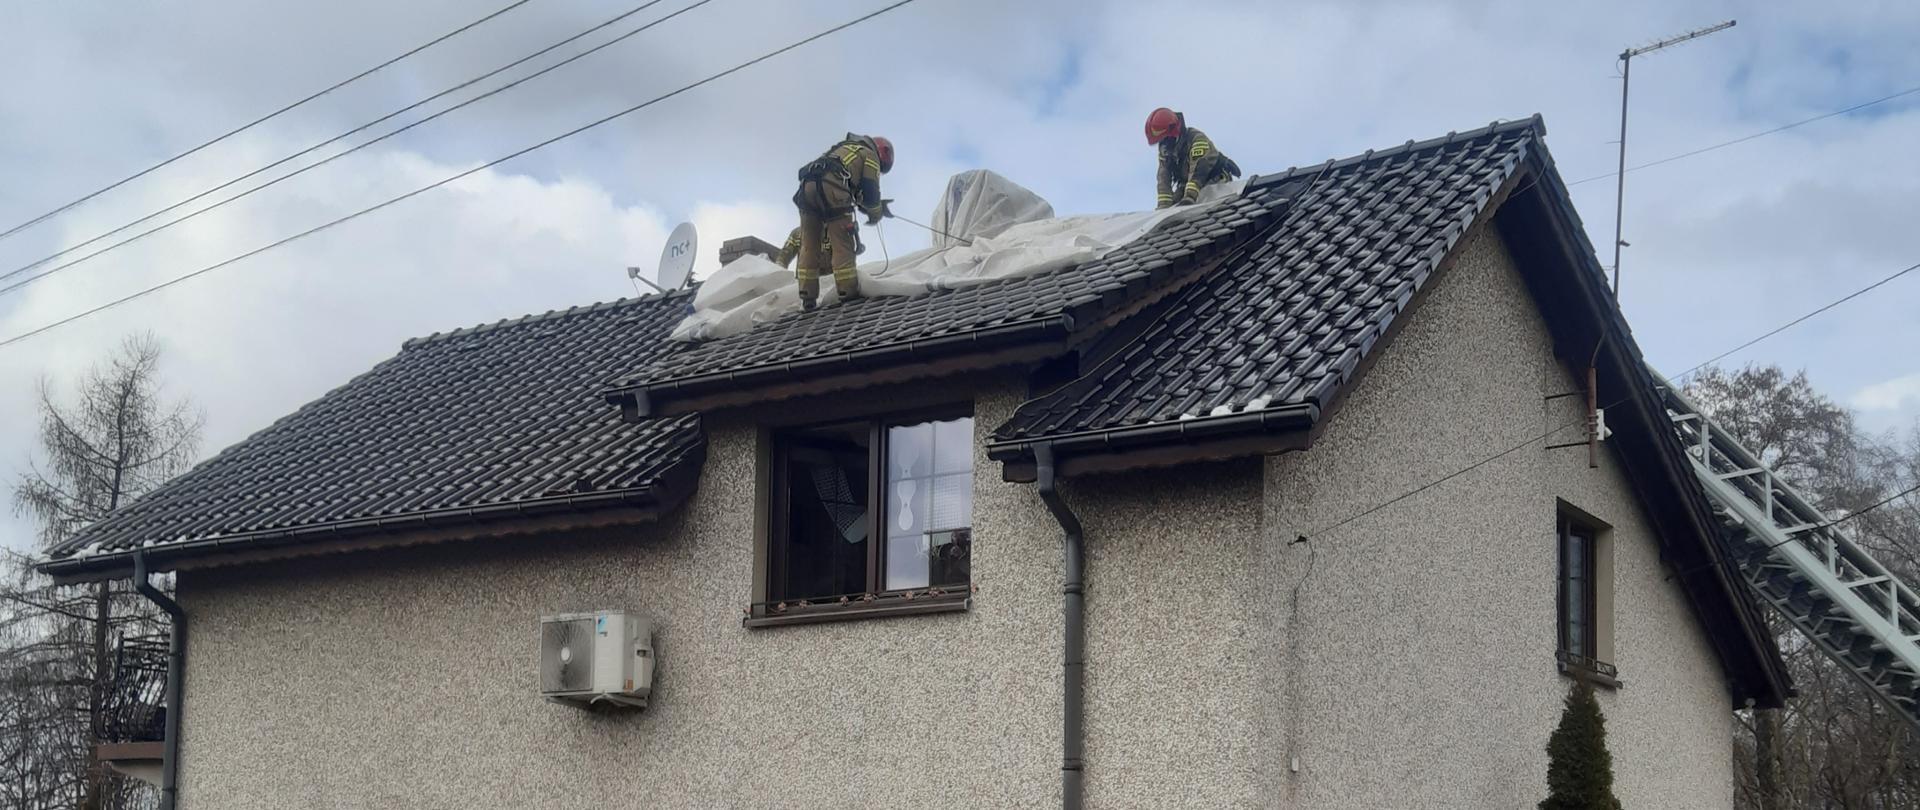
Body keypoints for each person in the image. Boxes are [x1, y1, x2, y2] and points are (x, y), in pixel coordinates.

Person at [792, 133, 893, 309]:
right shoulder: (869, 155)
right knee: (842, 240)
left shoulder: (842, 148)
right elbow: (870, 192)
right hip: (833, 186)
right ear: (883, 155)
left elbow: (853, 190)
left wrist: (864, 204)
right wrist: (876, 212)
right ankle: (847, 292)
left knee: (809, 243)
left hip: (807, 187)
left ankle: (807, 296)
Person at [1145, 108, 1240, 209]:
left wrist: (1189, 197)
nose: (1164, 144)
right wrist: (1163, 207)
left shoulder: (1196, 139)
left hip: (1213, 178)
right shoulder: (1165, 150)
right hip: (1187, 183)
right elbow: (1163, 176)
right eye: (1161, 141)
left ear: (1174, 132)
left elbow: (1199, 169)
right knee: (1174, 208)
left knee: (1207, 205)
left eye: (1165, 139)